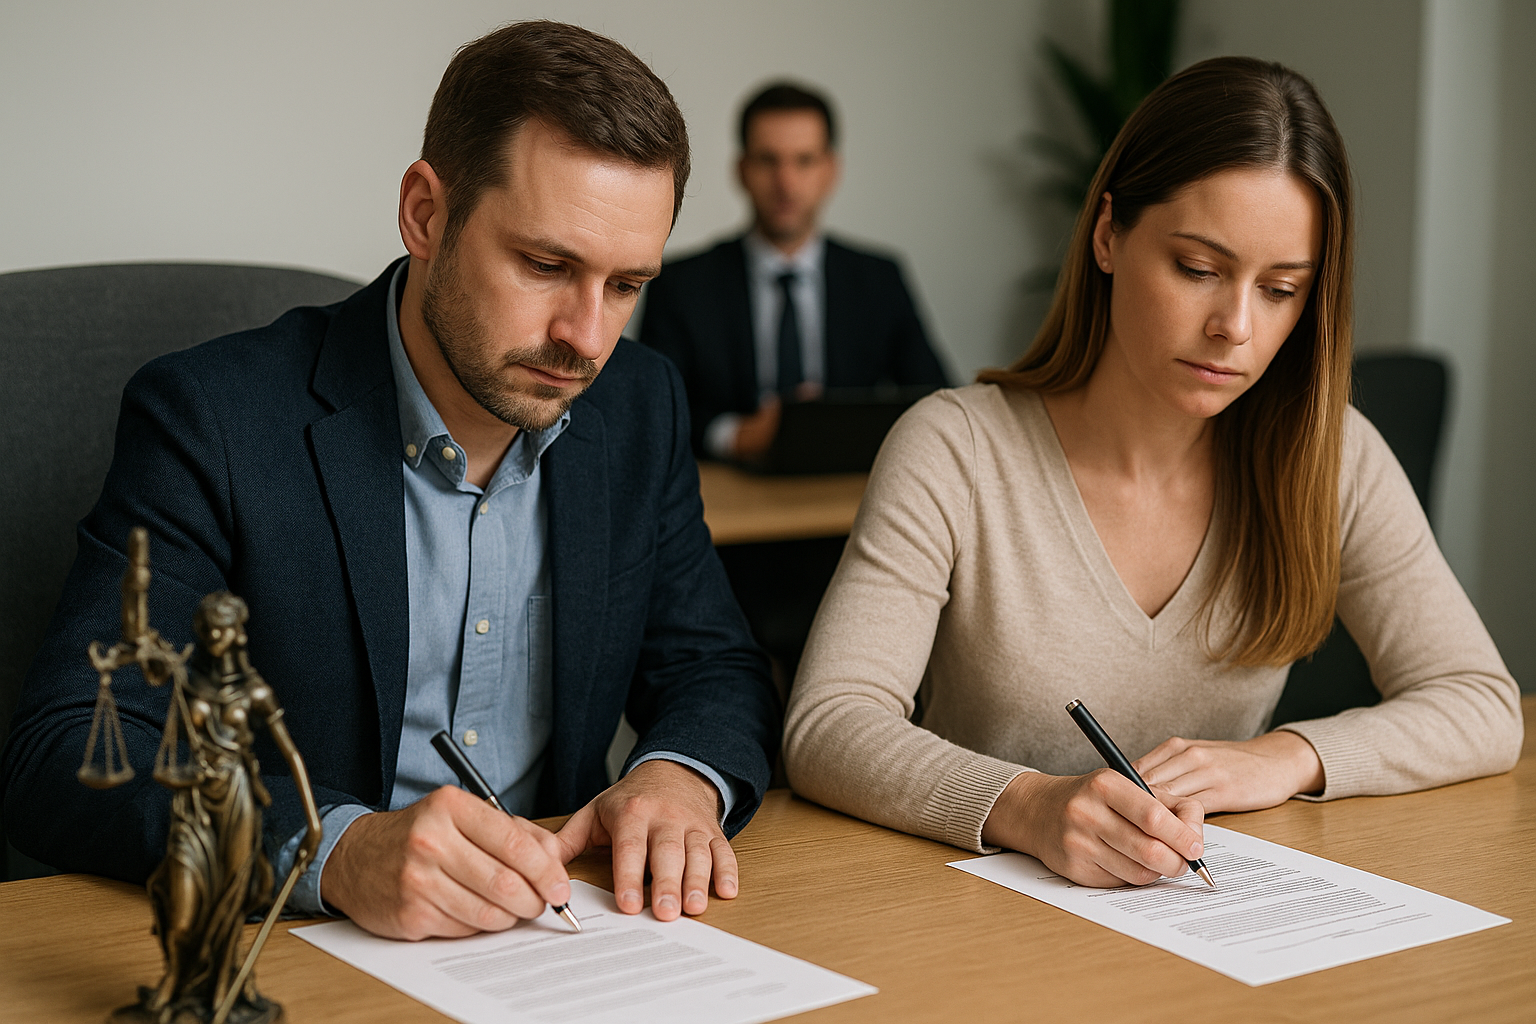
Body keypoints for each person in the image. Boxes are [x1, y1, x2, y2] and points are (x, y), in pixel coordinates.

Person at [1, 21, 780, 940]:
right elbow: (68, 746)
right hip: (298, 947)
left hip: (562, 937)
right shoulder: (211, 417)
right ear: (425, 214)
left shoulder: (641, 405)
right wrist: (336, 848)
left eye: (625, 286)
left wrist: (679, 776)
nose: (587, 337)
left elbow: (712, 663)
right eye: (546, 265)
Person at [782, 57, 1523, 888]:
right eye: (1199, 270)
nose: (1235, 326)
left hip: (1202, 920)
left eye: (1280, 289)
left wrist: (1285, 756)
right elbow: (829, 722)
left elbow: (1480, 702)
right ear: (1108, 235)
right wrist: (1028, 806)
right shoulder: (955, 449)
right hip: (978, 923)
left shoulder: (1331, 455)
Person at [640, 81, 948, 462]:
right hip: (728, 488)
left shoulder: (879, 281)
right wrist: (737, 435)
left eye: (804, 161)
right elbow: (649, 411)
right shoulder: (682, 285)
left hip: (847, 485)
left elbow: (936, 400)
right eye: (768, 160)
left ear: (830, 171)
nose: (785, 183)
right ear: (741, 171)